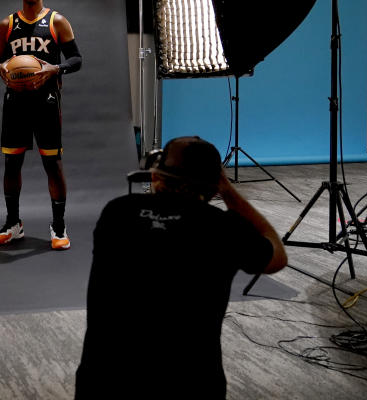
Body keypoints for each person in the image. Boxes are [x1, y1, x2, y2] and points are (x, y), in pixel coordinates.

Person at [74, 136, 288, 399]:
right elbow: (277, 257)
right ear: (213, 185)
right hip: (191, 385)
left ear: (156, 176)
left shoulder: (116, 213)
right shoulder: (222, 228)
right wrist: (229, 192)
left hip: (102, 383)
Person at [0, 0, 82, 250]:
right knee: (11, 163)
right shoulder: (8, 24)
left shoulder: (57, 21)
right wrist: (2, 69)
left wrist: (57, 68)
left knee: (52, 164)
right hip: (15, 101)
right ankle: (13, 223)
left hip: (47, 101)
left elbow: (76, 59)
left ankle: (58, 225)